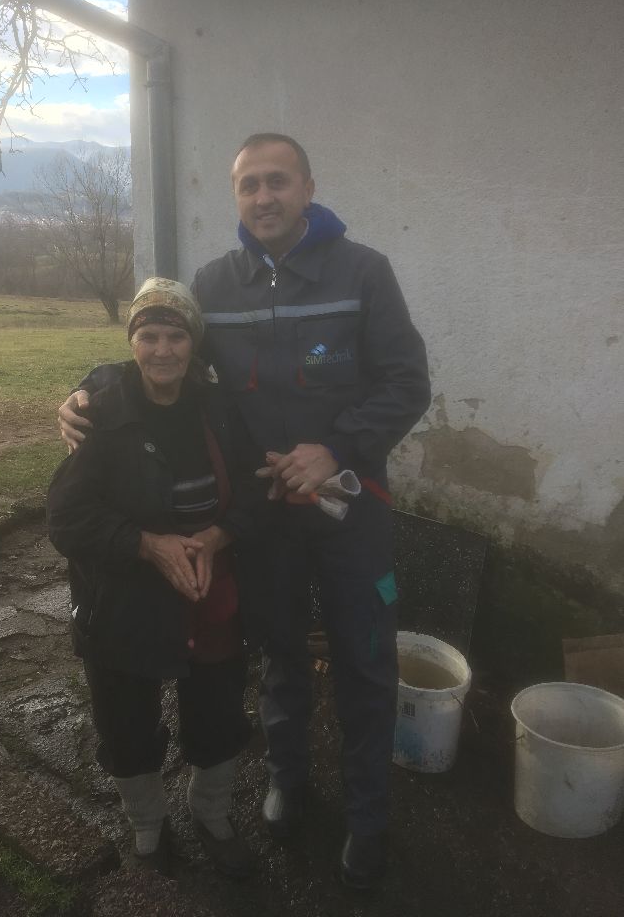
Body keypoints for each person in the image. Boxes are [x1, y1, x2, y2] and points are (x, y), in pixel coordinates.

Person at [58, 134, 431, 890]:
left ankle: (367, 818)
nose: (264, 197)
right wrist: (88, 390)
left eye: (278, 182)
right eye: (249, 185)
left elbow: (407, 382)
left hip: (352, 509)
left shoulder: (363, 272)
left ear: (308, 188)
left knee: (365, 661)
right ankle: (289, 781)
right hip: (265, 518)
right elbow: (165, 359)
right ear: (236, 196)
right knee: (281, 654)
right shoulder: (215, 285)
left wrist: (337, 447)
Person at [47, 278, 262, 880]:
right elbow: (66, 518)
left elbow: (253, 489)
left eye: (176, 336)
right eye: (149, 336)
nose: (162, 350)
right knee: (126, 723)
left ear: (194, 344)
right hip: (122, 597)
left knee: (219, 712)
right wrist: (148, 545)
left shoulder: (218, 410)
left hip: (209, 588)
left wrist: (217, 537)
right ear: (131, 342)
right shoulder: (100, 412)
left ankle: (211, 812)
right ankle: (147, 824)